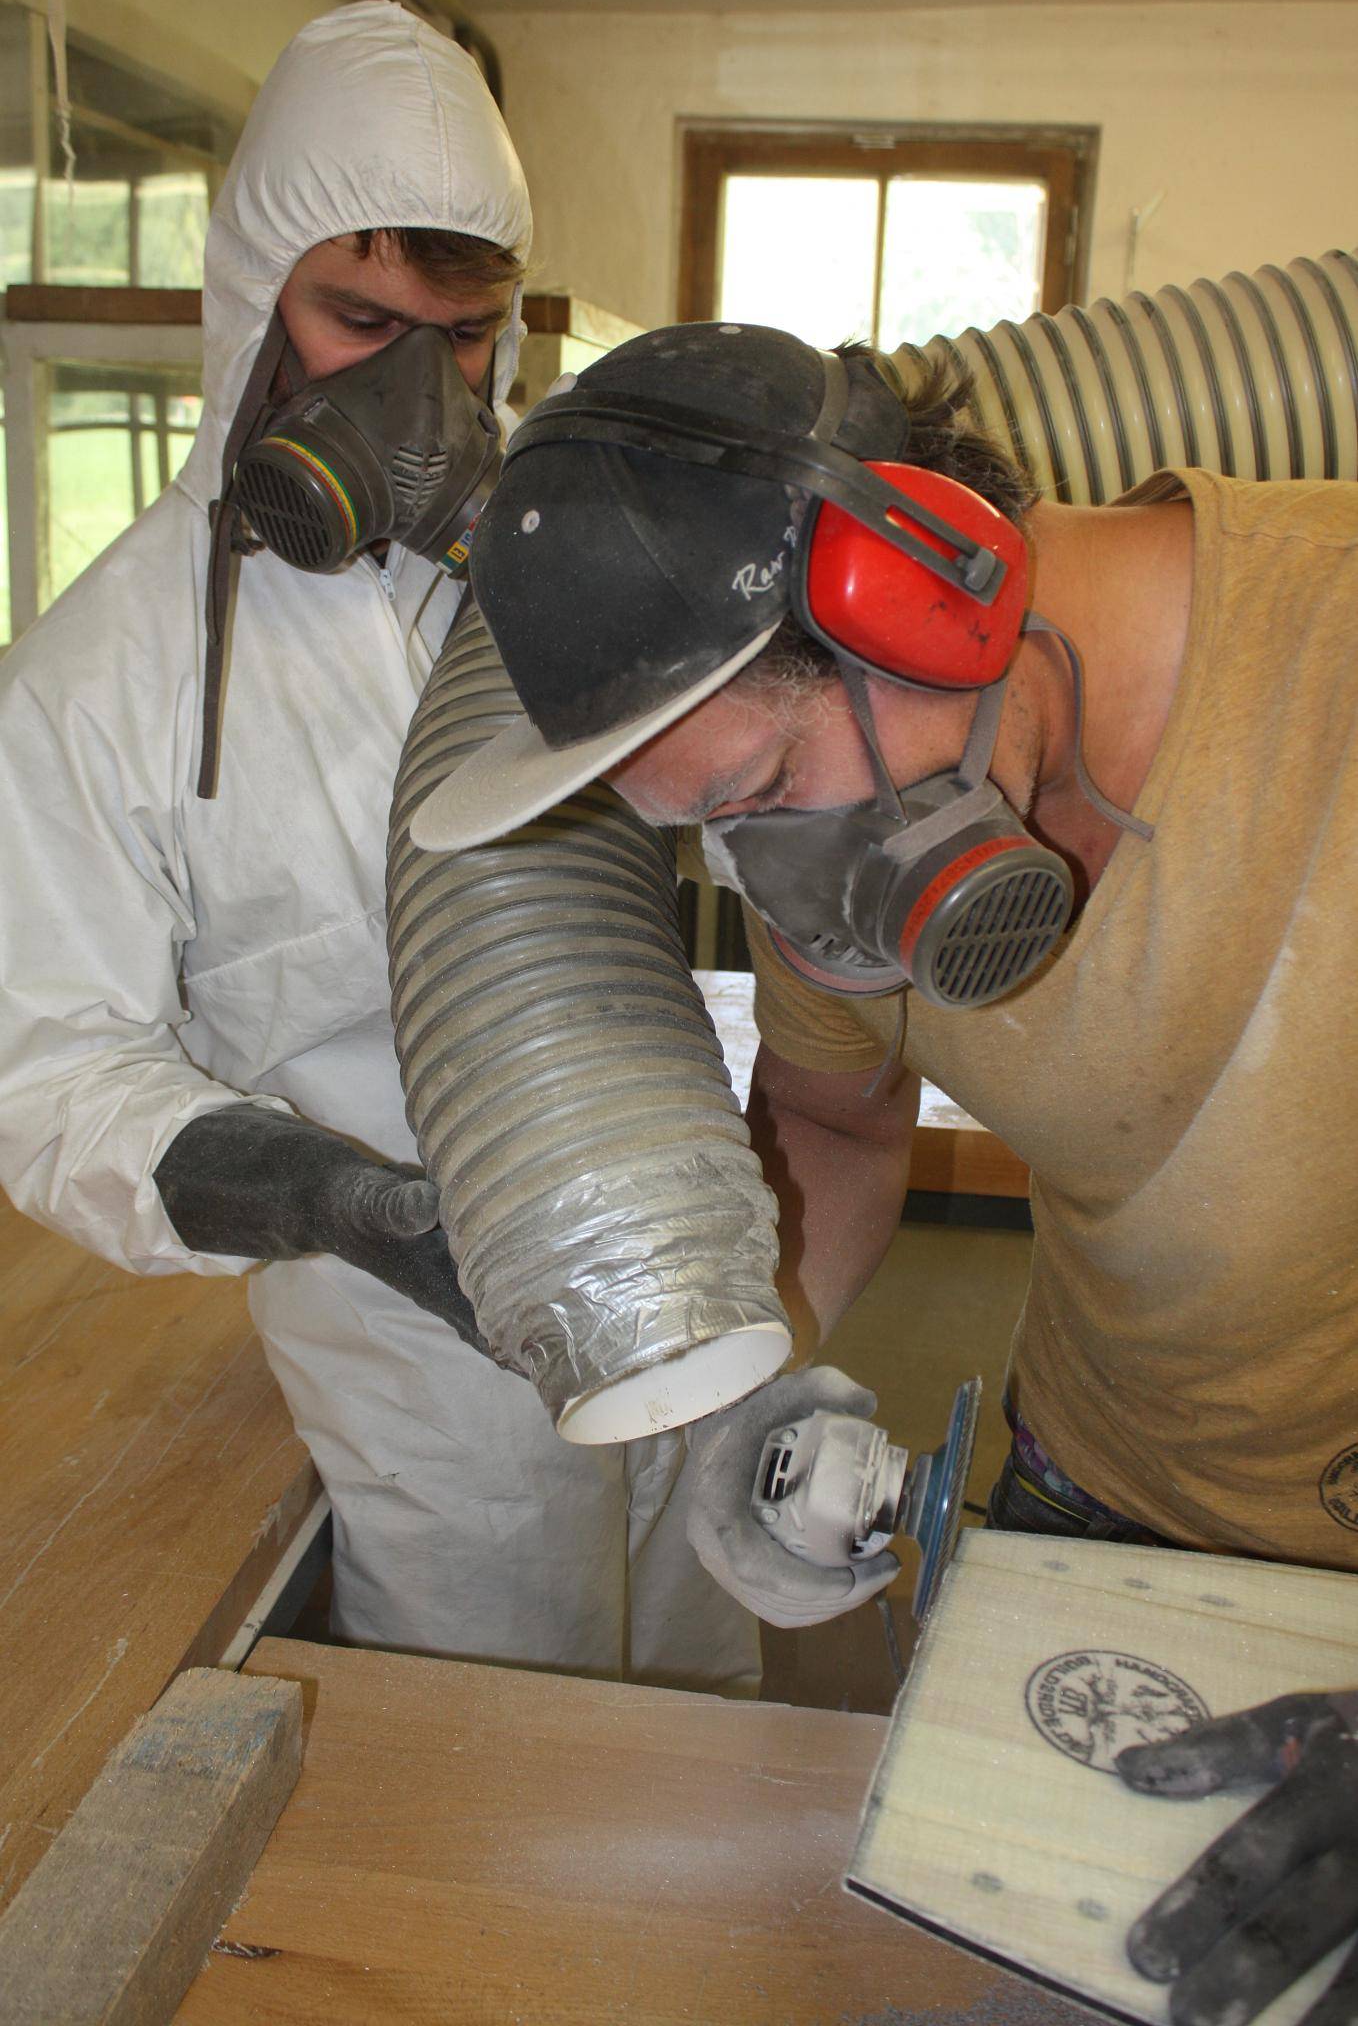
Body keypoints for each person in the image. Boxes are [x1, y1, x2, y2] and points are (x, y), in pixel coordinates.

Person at [412, 318, 1358, 2024]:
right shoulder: (834, 842)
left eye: (772, 785)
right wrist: (760, 1382)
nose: (792, 896)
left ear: (932, 594)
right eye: (716, 831)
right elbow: (838, 1128)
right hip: (1102, 1496)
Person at [0, 6, 759, 1695]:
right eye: (359, 322)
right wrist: (345, 1203)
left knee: (707, 1701)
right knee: (506, 1756)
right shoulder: (99, 684)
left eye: (467, 338)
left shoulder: (534, 575)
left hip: (662, 1220)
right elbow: (48, 1069)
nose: (422, 396)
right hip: (413, 1334)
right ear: (251, 289)